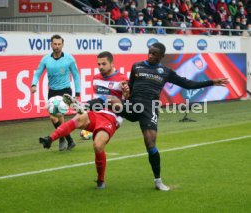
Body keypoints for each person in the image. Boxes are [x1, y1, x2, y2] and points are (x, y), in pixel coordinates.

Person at [78, 42, 229, 191]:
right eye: (149, 52)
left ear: (161, 56)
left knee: (150, 144)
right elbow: (130, 87)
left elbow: (187, 84)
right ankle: (84, 105)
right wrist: (126, 89)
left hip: (149, 110)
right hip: (133, 106)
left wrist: (211, 82)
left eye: (154, 53)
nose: (150, 55)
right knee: (111, 99)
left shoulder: (165, 71)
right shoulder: (137, 66)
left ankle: (158, 181)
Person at [39, 51, 128, 189]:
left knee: (98, 146)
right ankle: (50, 139)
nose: (101, 66)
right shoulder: (96, 78)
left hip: (112, 117)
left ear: (112, 63)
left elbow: (127, 100)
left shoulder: (122, 79)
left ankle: (100, 180)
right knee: (79, 117)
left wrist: (127, 92)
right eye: (98, 64)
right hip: (96, 112)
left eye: (104, 64)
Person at [31, 34, 80, 151]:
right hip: (52, 91)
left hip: (65, 91)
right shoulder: (46, 59)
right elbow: (38, 72)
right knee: (55, 118)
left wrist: (77, 93)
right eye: (55, 44)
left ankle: (63, 137)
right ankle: (67, 139)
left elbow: (76, 75)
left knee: (57, 116)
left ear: (62, 45)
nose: (57, 46)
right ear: (51, 44)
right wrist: (33, 84)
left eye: (59, 44)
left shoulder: (69, 58)